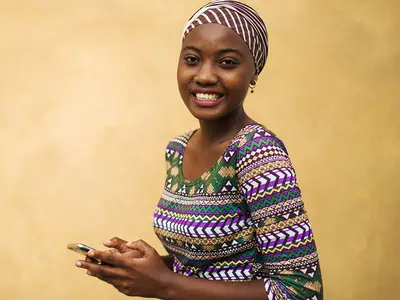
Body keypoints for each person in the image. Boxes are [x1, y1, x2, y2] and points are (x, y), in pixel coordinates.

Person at [75, 0, 323, 299]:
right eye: (192, 59)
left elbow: (301, 291)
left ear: (254, 73)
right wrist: (144, 268)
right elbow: (209, 267)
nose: (204, 75)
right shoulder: (178, 149)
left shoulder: (258, 154)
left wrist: (164, 284)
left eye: (227, 62)